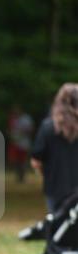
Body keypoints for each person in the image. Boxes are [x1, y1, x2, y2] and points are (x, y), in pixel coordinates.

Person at [30, 83, 78, 213]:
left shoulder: (48, 127)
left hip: (54, 189)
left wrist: (46, 173)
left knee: (58, 229)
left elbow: (36, 161)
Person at [7, 105, 35, 183]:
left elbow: (31, 130)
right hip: (15, 143)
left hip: (24, 143)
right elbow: (10, 130)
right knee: (15, 161)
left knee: (23, 161)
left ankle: (23, 177)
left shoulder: (26, 119)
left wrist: (23, 132)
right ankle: (18, 177)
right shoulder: (13, 119)